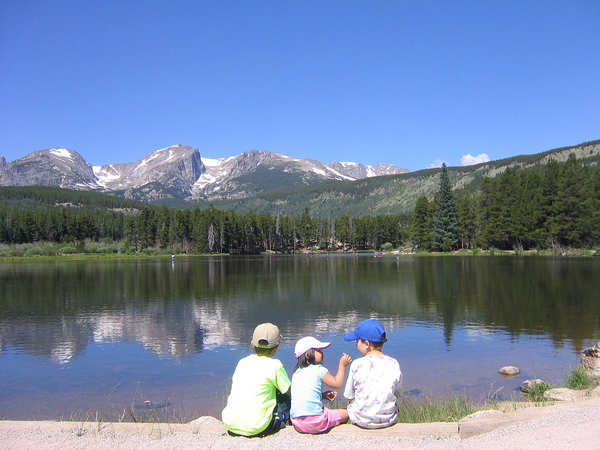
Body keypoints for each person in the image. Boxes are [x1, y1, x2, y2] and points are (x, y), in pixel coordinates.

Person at [221, 323, 291, 437]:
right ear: (277, 347)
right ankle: (285, 419)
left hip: (231, 425)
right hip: (258, 428)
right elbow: (289, 392)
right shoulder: (275, 365)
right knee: (284, 396)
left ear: (252, 345)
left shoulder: (242, 362)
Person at [343, 319, 402, 428]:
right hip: (389, 420)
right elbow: (397, 392)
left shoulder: (357, 364)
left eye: (357, 341)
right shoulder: (394, 363)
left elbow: (348, 395)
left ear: (367, 344)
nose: (356, 344)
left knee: (351, 404)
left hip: (361, 421)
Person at [290, 336, 352, 434]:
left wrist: (322, 395)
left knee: (324, 410)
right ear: (307, 355)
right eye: (318, 350)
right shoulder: (319, 369)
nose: (322, 352)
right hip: (316, 422)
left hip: (296, 423)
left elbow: (304, 394)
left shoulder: (296, 373)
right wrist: (342, 365)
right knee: (347, 413)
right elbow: (337, 383)